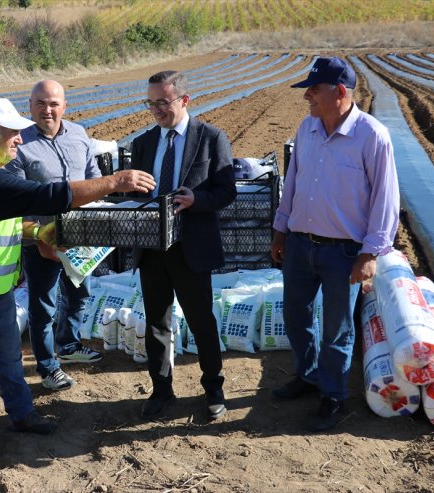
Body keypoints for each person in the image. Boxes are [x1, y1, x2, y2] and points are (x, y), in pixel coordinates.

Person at [0, 98, 155, 450]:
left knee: (7, 357)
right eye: (13, 135)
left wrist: (37, 233)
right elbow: (48, 195)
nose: (20, 140)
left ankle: (21, 414)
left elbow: (4, 219)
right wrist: (114, 182)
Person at [271, 57, 400, 431]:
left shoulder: (372, 135)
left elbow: (385, 200)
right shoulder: (308, 128)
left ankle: (333, 395)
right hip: (299, 244)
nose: (307, 96)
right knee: (296, 315)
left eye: (314, 89)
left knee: (338, 328)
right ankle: (308, 375)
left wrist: (369, 253)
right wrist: (281, 230)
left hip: (343, 252)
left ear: (340, 92)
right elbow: (292, 183)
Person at [129, 71, 237, 421]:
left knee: (201, 320)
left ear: (184, 100)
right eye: (151, 103)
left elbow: (227, 191)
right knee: (157, 323)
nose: (156, 110)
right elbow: (134, 194)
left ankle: (213, 389)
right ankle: (162, 391)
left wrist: (197, 199)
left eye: (163, 102)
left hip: (192, 246)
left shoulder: (210, 138)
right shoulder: (144, 143)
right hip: (152, 248)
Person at [6, 80, 102, 392]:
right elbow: (17, 199)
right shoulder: (20, 143)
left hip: (78, 236)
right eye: (40, 103)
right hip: (41, 240)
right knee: (43, 306)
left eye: (54, 103)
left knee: (78, 294)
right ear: (30, 106)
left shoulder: (79, 133)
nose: (47, 110)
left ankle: (70, 345)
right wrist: (42, 239)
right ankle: (48, 367)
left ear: (64, 105)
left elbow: (93, 177)